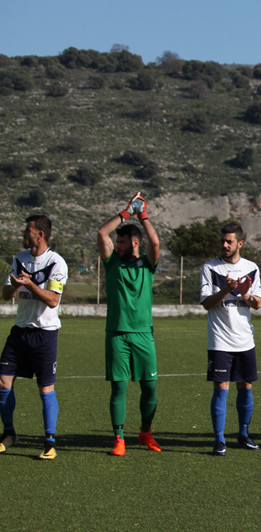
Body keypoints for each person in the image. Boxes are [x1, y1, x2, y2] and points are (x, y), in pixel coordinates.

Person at [97, 194, 163, 456]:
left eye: (122, 242)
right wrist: (126, 212)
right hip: (117, 335)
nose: (118, 245)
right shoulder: (112, 263)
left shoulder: (147, 264)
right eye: (117, 242)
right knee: (119, 388)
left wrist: (142, 214)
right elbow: (102, 233)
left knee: (150, 387)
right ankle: (119, 439)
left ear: (135, 243)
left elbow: (155, 242)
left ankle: (145, 432)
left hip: (144, 334)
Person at [0, 216, 68, 460]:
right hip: (19, 332)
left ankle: (49, 442)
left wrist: (29, 284)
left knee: (45, 387)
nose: (23, 234)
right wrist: (14, 286)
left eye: (27, 230)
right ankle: (9, 434)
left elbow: (53, 300)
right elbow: (5, 294)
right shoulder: (19, 258)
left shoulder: (56, 262)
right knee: (3, 382)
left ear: (40, 234)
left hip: (44, 334)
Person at [200, 223, 261, 456]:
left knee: (246, 387)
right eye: (223, 241)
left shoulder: (251, 268)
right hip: (220, 341)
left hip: (245, 340)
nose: (225, 245)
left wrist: (245, 293)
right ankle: (219, 440)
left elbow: (257, 304)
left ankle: (244, 434)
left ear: (240, 243)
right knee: (221, 388)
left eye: (229, 241)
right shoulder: (210, 268)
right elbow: (207, 304)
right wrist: (226, 289)